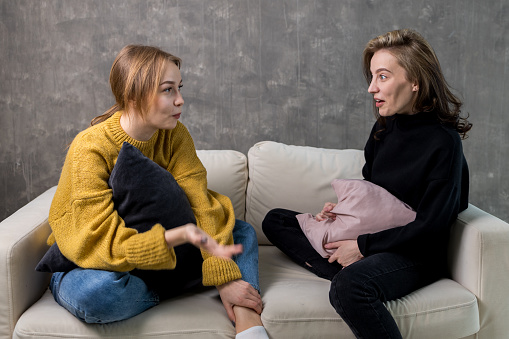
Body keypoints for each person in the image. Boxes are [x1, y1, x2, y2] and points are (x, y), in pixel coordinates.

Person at [262, 29, 472, 338]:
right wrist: (344, 212)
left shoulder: (444, 142)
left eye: (383, 77)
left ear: (415, 81)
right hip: (373, 237)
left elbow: (433, 225)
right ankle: (348, 261)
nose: (371, 88)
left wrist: (360, 246)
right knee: (277, 219)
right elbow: (373, 193)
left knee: (350, 286)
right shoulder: (383, 129)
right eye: (372, 77)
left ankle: (351, 268)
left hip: (414, 253)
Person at [47, 45, 268, 339]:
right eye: (168, 90)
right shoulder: (90, 148)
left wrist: (224, 277)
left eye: (179, 88)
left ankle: (246, 315)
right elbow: (98, 239)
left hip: (163, 258)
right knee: (97, 293)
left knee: (240, 232)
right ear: (133, 96)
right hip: (94, 259)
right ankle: (176, 287)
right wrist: (178, 246)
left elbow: (201, 203)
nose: (180, 100)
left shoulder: (175, 135)